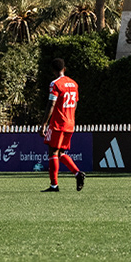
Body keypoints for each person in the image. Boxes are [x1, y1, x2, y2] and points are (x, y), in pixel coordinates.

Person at [45, 59, 85, 194]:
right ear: (64, 69)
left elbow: (51, 104)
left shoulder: (55, 84)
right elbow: (75, 103)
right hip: (70, 123)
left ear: (53, 70)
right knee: (61, 153)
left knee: (53, 152)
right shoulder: (74, 84)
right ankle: (77, 173)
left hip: (58, 123)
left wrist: (44, 124)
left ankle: (54, 185)